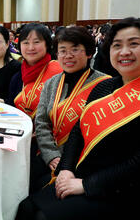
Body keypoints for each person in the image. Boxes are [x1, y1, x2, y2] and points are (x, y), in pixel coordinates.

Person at [8, 17, 140, 220]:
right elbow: (77, 133)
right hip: (83, 176)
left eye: (134, 43)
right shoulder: (106, 89)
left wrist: (85, 185)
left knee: (43, 219)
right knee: (26, 208)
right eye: (117, 45)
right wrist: (65, 169)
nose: (124, 51)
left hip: (127, 197)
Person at [32, 26, 110, 192]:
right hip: (50, 153)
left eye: (75, 49)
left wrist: (67, 162)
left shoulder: (105, 85)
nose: (68, 55)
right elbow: (41, 122)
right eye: (63, 50)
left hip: (81, 162)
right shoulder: (51, 83)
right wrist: (50, 154)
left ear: (89, 53)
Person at [8, 23, 63, 118]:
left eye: (36, 42)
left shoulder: (59, 72)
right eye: (26, 43)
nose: (31, 48)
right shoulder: (17, 76)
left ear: (47, 44)